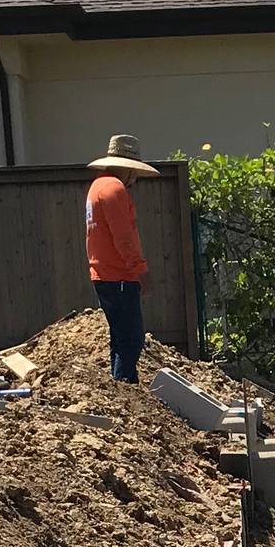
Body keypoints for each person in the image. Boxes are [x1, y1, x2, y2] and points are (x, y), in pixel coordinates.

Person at [85, 133, 158, 382]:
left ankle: (122, 386)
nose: (135, 178)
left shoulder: (97, 187)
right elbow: (124, 237)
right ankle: (126, 385)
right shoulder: (115, 189)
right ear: (125, 169)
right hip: (120, 276)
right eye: (133, 172)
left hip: (103, 273)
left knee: (120, 335)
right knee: (132, 338)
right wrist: (141, 270)